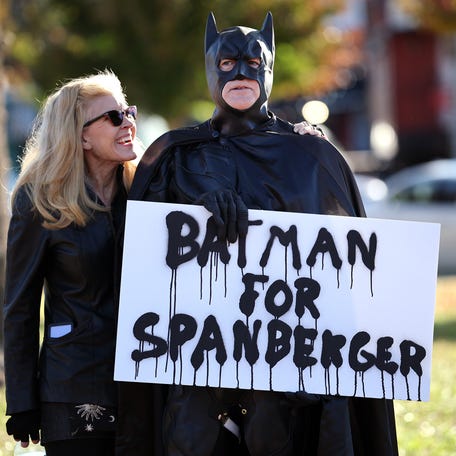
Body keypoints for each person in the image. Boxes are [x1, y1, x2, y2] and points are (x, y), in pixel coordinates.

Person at [116, 11, 398, 456]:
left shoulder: (308, 156)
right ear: (210, 69)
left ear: (269, 70)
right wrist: (194, 209)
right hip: (198, 364)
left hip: (282, 371)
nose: (242, 72)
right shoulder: (174, 156)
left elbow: (340, 269)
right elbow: (142, 258)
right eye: (227, 64)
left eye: (254, 62)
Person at [3, 70, 138, 456]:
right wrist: (22, 401)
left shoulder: (147, 187)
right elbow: (20, 308)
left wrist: (299, 139)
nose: (127, 122)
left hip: (144, 384)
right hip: (75, 387)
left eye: (128, 112)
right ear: (80, 135)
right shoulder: (40, 200)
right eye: (113, 117)